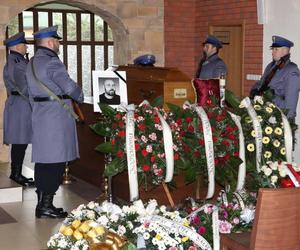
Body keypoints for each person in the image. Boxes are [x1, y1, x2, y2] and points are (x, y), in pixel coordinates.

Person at [26, 25, 84, 218]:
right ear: (50, 42)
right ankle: (46, 206)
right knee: (56, 162)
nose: (58, 44)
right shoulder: (53, 63)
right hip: (56, 118)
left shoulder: (32, 62)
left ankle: (42, 204)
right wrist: (81, 95)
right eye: (57, 41)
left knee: (44, 161)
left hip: (40, 115)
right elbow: (68, 86)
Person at [3, 32, 34, 187]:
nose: (26, 46)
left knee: (19, 141)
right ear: (17, 46)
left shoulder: (13, 61)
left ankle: (17, 173)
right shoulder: (18, 63)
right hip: (21, 104)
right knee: (20, 141)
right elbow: (25, 86)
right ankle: (16, 174)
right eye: (24, 44)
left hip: (16, 103)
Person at [250, 35, 300, 119]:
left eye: (276, 49)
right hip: (263, 112)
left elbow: (290, 105)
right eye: (272, 49)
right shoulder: (271, 66)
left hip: (278, 116)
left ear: (285, 51)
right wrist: (254, 90)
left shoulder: (292, 71)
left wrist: (288, 124)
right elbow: (262, 82)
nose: (272, 52)